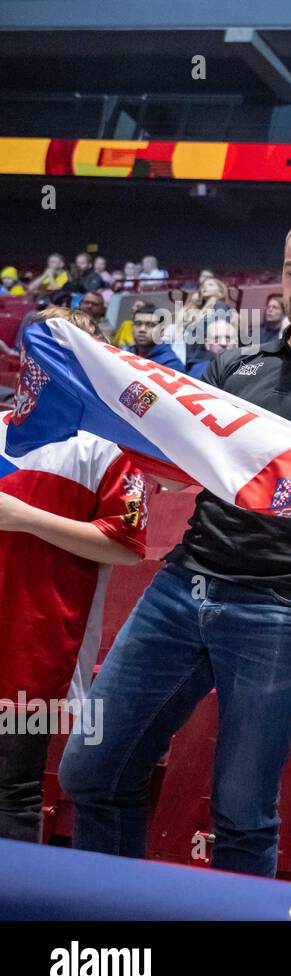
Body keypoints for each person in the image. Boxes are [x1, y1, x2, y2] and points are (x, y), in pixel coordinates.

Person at [60, 214, 291, 877]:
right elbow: (179, 460)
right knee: (91, 769)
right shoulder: (232, 362)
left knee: (243, 814)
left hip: (284, 608)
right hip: (181, 586)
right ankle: (114, 907)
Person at [0, 307, 151, 842]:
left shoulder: (108, 448)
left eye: (61, 351)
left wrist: (21, 518)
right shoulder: (1, 427)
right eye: (37, 348)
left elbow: (127, 545)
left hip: (38, 649)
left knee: (11, 789)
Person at [127, 303, 185, 372]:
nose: (142, 329)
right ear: (131, 327)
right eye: (138, 324)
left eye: (150, 325)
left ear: (162, 331)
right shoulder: (123, 355)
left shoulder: (171, 364)